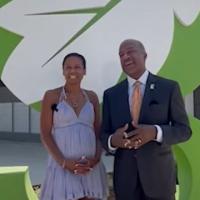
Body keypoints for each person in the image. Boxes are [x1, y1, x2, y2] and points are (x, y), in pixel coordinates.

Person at [100, 39, 192, 200]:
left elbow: (184, 130)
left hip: (160, 180)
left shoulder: (168, 88)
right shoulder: (111, 95)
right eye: (121, 54)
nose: (125, 57)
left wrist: (155, 132)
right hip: (125, 181)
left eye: (130, 51)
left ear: (145, 55)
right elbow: (103, 134)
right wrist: (113, 141)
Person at [40, 53, 107, 200]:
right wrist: (63, 163)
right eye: (68, 67)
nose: (73, 71)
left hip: (89, 167)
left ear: (84, 71)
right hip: (62, 167)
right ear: (63, 71)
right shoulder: (51, 96)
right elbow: (45, 133)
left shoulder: (92, 97)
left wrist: (95, 159)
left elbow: (98, 133)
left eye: (77, 67)